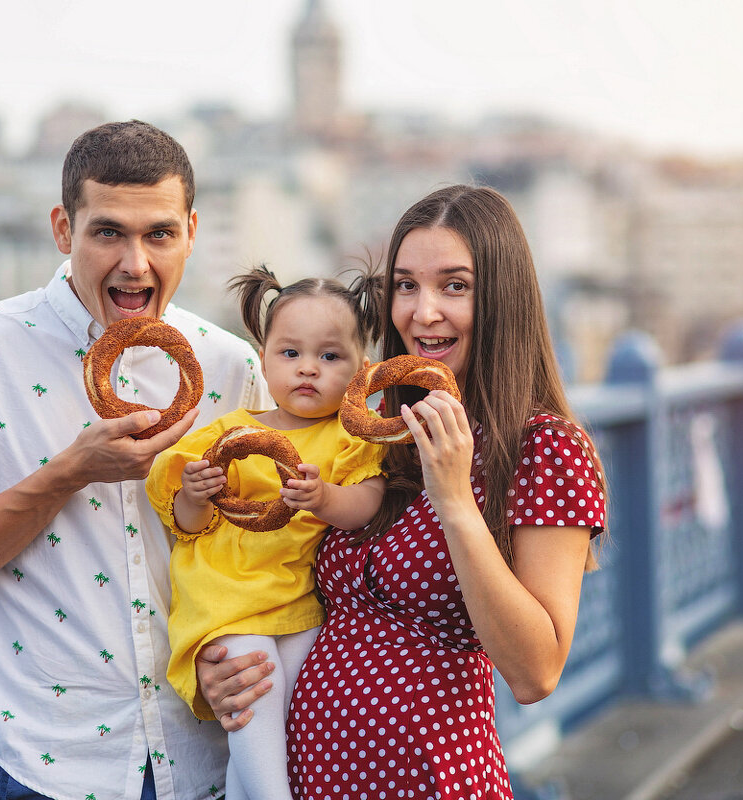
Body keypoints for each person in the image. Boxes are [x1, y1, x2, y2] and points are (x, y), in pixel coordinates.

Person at [0, 121, 270, 800]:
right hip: (50, 762)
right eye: (108, 232)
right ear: (64, 230)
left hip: (208, 756)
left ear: (191, 232)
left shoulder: (228, 365)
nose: (135, 263)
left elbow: (271, 551)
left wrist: (243, 649)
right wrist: (70, 471)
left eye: (159, 234)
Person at [196, 185, 608, 799]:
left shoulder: (545, 447)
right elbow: (274, 583)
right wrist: (217, 667)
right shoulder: (378, 432)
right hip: (313, 781)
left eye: (455, 286)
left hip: (427, 780)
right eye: (406, 286)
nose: (423, 311)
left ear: (501, 298)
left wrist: (455, 501)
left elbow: (537, 671)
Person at [145, 266, 387, 800]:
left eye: (329, 356)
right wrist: (193, 493)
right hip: (227, 604)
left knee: (272, 730)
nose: (308, 369)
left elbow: (365, 506)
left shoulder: (351, 439)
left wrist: (325, 498)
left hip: (298, 607)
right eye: (290, 353)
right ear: (263, 357)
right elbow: (186, 525)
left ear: (360, 370)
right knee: (256, 700)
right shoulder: (229, 435)